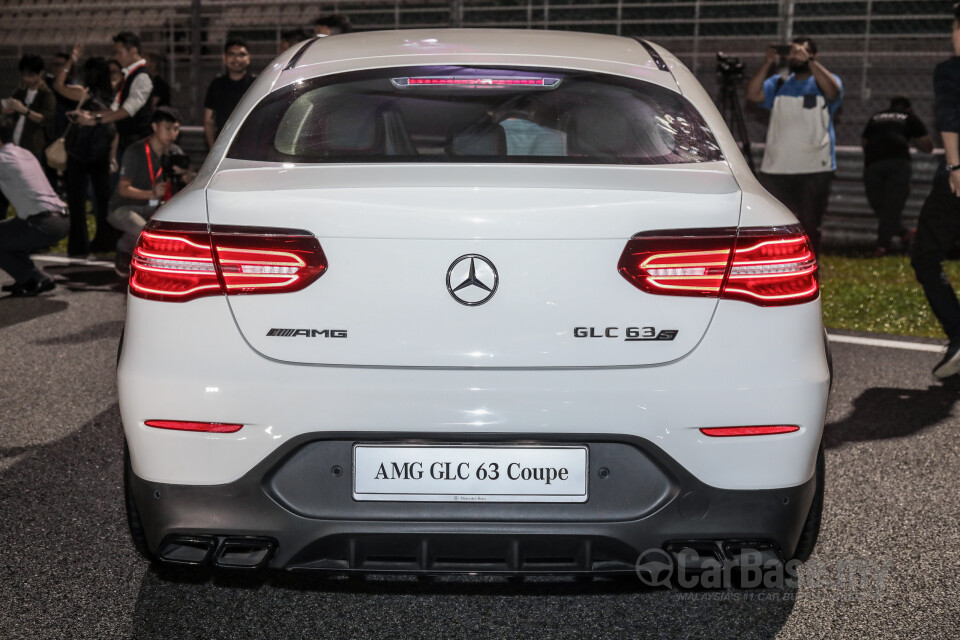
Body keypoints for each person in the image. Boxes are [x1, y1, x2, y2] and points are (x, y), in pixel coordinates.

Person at [746, 37, 843, 257]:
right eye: (792, 52)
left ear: (813, 55)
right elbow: (753, 95)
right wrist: (767, 63)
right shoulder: (778, 83)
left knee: (810, 223)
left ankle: (810, 265)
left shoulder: (824, 81)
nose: (795, 56)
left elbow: (833, 92)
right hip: (776, 168)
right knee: (774, 223)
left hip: (814, 168)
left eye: (800, 52)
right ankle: (779, 263)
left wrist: (810, 62)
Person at [911, 3, 960, 379]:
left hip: (957, 173)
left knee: (926, 255)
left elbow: (949, 117)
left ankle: (958, 334)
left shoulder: (950, 71)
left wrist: (955, 167)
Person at [108, 107, 194, 276]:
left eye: (176, 129)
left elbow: (189, 181)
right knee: (145, 232)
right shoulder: (136, 151)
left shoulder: (174, 152)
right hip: (124, 207)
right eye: (168, 128)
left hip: (156, 208)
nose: (172, 133)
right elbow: (123, 189)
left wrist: (186, 177)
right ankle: (124, 249)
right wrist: (152, 194)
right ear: (155, 127)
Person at [53, 46, 119, 256]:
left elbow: (58, 85)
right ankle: (104, 242)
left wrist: (70, 60)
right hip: (100, 153)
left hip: (78, 153)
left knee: (77, 201)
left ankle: (78, 246)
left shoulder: (83, 93)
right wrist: (112, 157)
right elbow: (114, 131)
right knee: (102, 200)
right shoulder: (114, 97)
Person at [0, 115, 69, 297]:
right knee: (10, 230)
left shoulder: (3, 160)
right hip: (60, 218)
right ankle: (28, 279)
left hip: (43, 224)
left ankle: (34, 278)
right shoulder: (23, 152)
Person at [861, 96, 933, 256]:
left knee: (880, 204)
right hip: (898, 163)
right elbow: (927, 145)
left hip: (873, 163)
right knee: (891, 206)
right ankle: (904, 233)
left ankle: (882, 244)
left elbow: (864, 141)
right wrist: (911, 139)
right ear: (909, 108)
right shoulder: (909, 117)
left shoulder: (876, 116)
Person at [74, 32, 153, 158]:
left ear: (133, 50)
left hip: (138, 141)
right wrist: (88, 114)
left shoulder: (142, 76)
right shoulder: (131, 75)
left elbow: (128, 110)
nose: (116, 57)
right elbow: (114, 109)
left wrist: (95, 120)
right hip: (129, 141)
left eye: (119, 52)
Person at [1, 55, 57, 219]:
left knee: (31, 188)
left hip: (34, 147)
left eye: (30, 75)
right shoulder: (21, 91)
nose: (26, 79)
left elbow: (45, 119)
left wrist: (23, 109)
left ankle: (35, 221)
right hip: (15, 145)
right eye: (24, 75)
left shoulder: (46, 94)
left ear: (40, 74)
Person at [203, 38, 255, 149]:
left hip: (252, 148)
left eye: (242, 54)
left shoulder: (256, 84)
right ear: (224, 58)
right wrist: (213, 150)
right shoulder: (217, 85)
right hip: (223, 148)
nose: (237, 59)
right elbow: (208, 120)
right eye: (232, 54)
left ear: (248, 59)